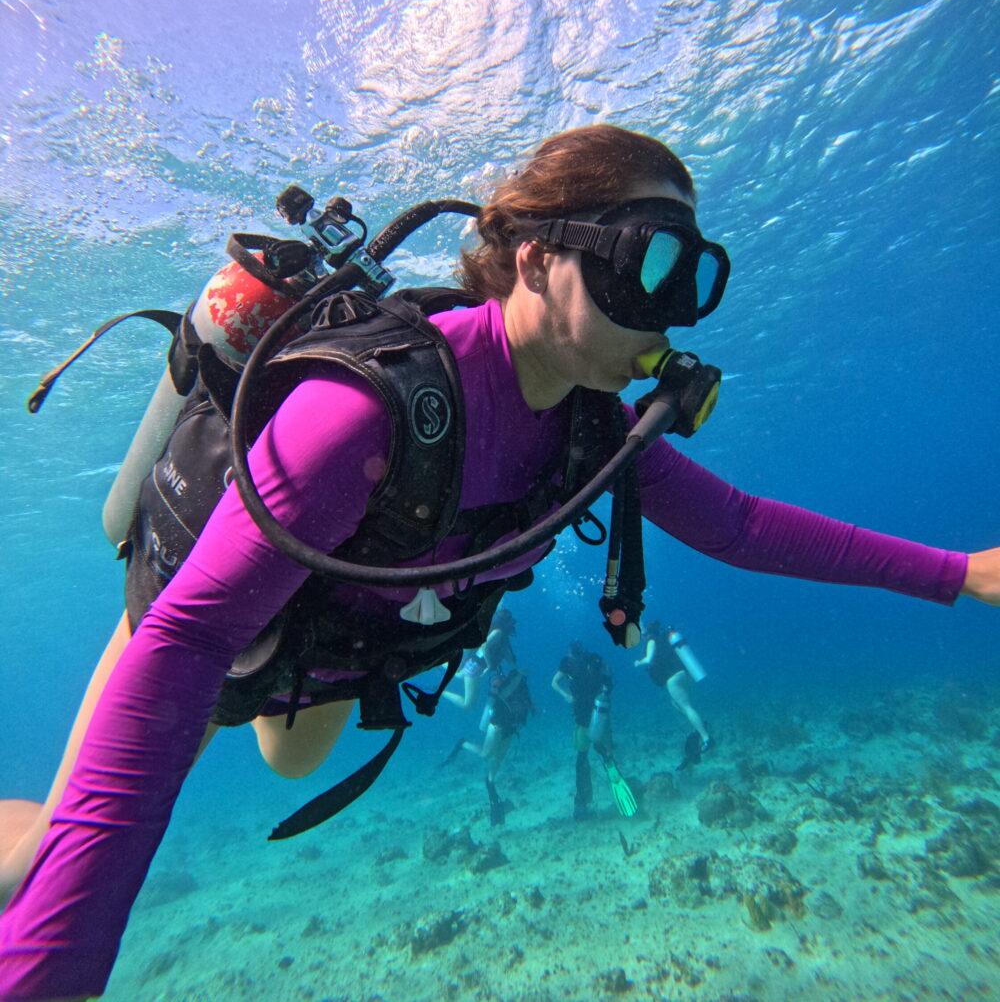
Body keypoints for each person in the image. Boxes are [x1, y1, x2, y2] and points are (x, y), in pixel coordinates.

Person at [1, 123, 998, 1001]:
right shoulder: (369, 408)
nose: (661, 317)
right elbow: (190, 633)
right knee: (49, 857)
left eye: (688, 282)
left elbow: (739, 526)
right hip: (199, 624)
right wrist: (58, 965)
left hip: (327, 649)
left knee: (286, 754)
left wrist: (962, 573)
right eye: (643, 268)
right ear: (532, 258)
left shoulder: (591, 431)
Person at [552, 641, 636, 819]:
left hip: (582, 717)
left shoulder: (567, 663)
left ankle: (581, 803)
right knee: (605, 752)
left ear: (570, 651)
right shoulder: (594, 659)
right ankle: (614, 776)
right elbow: (608, 676)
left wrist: (567, 696)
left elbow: (554, 683)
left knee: (582, 758)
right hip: (600, 713)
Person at [445, 666, 535, 825]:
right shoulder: (507, 685)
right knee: (485, 755)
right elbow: (503, 695)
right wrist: (518, 678)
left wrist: (534, 708)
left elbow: (529, 705)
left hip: (511, 729)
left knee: (499, 759)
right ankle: (463, 743)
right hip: (497, 725)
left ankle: (491, 786)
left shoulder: (523, 689)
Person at [634, 619, 712, 768]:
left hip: (672, 678)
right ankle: (698, 725)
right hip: (683, 674)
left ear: (648, 632)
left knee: (686, 707)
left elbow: (649, 658)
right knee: (676, 704)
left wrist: (639, 662)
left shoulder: (651, 640)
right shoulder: (666, 637)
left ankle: (706, 737)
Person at [441, 607, 518, 712]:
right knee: (468, 705)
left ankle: (443, 665)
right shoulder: (498, 633)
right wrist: (489, 664)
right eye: (510, 622)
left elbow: (508, 655)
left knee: (459, 675)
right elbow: (484, 645)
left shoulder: (501, 636)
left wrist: (516, 669)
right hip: (475, 667)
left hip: (474, 665)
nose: (512, 625)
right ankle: (441, 691)